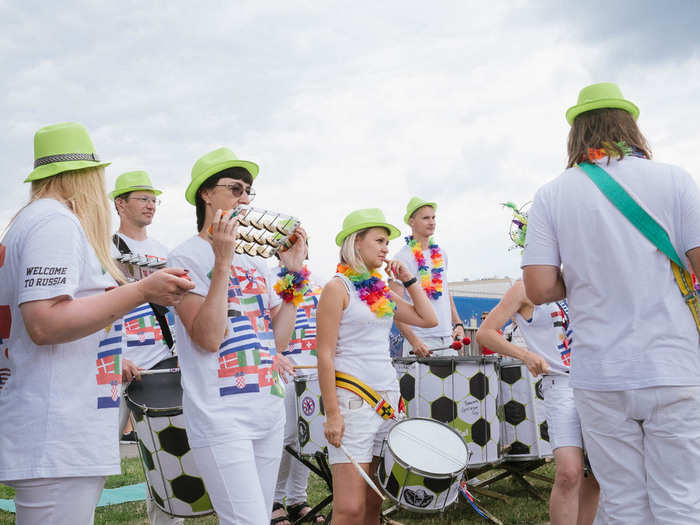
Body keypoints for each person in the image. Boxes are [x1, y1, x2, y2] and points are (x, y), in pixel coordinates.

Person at [522, 82, 700, 523]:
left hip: (599, 371)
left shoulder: (552, 194)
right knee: (680, 499)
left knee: (620, 501)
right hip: (671, 364)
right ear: (630, 127)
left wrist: (586, 276)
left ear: (576, 134)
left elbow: (539, 288)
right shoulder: (674, 180)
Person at [0, 122, 193, 525]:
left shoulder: (36, 220)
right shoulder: (55, 222)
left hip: (57, 426)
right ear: (85, 175)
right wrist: (142, 292)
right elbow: (45, 322)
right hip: (59, 424)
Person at [168, 147, 303, 525]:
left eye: (248, 191)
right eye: (236, 189)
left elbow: (277, 342)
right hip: (220, 415)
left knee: (258, 517)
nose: (245, 199)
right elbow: (208, 338)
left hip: (267, 408)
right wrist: (223, 260)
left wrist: (292, 273)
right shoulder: (184, 257)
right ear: (206, 194)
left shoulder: (256, 261)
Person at [316, 208, 438, 525]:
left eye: (387, 241)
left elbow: (428, 318)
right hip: (352, 402)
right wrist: (332, 414)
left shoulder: (379, 290)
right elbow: (325, 355)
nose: (386, 247)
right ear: (356, 243)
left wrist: (409, 280)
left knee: (375, 501)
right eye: (379, 240)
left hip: (388, 402)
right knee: (350, 507)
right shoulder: (337, 288)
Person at [477, 281, 600, 525]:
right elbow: (485, 333)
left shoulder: (585, 276)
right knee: (569, 472)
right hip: (560, 384)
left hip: (597, 383)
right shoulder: (524, 287)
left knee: (596, 473)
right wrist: (525, 355)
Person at [110, 170, 183, 525]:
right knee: (96, 456)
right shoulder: (104, 249)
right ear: (120, 203)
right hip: (113, 365)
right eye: (143, 198)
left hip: (158, 361)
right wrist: (113, 355)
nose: (151, 205)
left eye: (154, 199)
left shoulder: (164, 253)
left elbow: (178, 308)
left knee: (169, 459)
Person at [271, 243, 326, 525]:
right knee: (286, 438)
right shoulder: (270, 279)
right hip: (285, 371)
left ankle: (297, 500)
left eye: (302, 243)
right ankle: (274, 501)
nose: (296, 249)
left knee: (308, 438)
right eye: (288, 244)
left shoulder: (320, 282)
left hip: (316, 371)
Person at [389, 197, 465, 357]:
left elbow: (445, 292)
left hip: (447, 339)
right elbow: (393, 307)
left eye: (433, 217)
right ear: (412, 222)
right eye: (425, 218)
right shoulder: (402, 257)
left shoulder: (441, 254)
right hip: (420, 341)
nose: (431, 222)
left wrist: (458, 324)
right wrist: (414, 341)